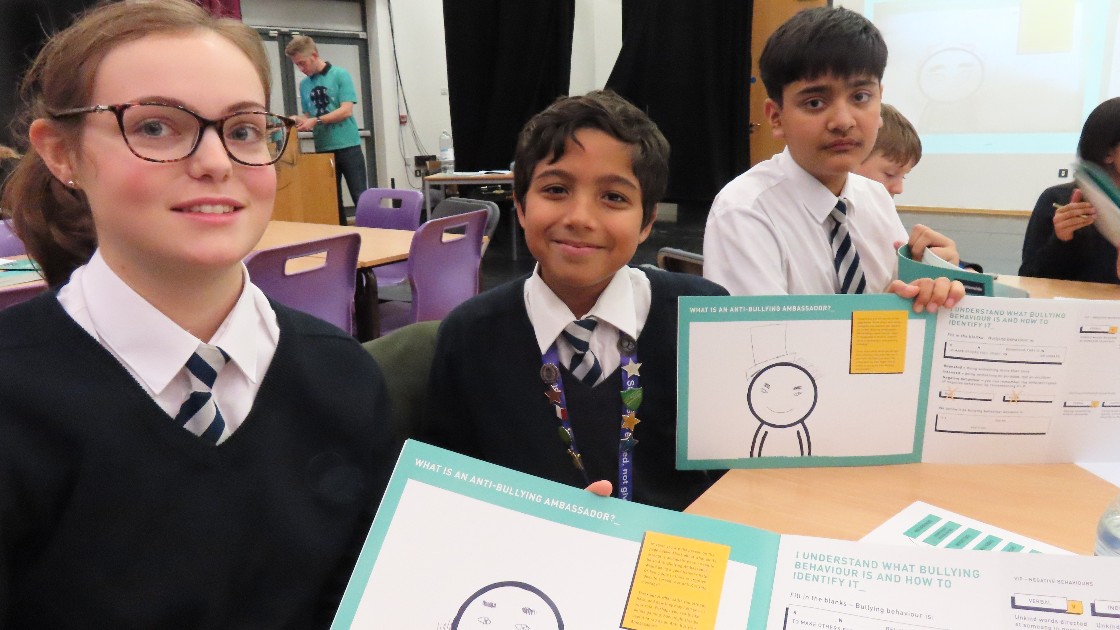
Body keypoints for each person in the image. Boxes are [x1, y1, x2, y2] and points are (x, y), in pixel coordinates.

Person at [0, 1, 398, 626]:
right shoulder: (15, 396)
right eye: (155, 127)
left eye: (242, 130)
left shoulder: (345, 379)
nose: (216, 162)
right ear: (62, 154)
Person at [421, 90, 727, 511]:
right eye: (557, 189)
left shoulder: (703, 318)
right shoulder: (470, 336)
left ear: (647, 222)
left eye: (614, 197)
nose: (580, 217)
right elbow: (443, 493)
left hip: (679, 561)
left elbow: (740, 477)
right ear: (522, 207)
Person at [703, 7, 963, 312]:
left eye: (860, 97)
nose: (842, 121)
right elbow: (765, 344)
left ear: (880, 101)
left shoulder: (875, 198)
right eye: (815, 102)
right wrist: (882, 320)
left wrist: (931, 283)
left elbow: (902, 302)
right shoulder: (745, 212)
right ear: (776, 118)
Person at [854, 104, 982, 272]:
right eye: (890, 174)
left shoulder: (882, 219)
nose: (900, 189)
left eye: (904, 176)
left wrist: (954, 270)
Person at [1020, 97, 1120, 284]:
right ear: (1108, 153)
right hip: (1075, 311)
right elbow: (1029, 279)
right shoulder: (1056, 199)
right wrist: (1061, 241)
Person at [285, 35, 367, 225]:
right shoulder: (304, 85)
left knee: (360, 195)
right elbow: (308, 116)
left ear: (314, 55)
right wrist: (298, 119)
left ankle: (372, 238)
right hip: (323, 148)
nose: (301, 69)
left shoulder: (340, 75)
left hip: (348, 145)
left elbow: (346, 110)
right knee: (331, 200)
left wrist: (316, 120)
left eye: (303, 63)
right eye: (297, 65)